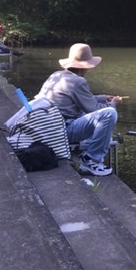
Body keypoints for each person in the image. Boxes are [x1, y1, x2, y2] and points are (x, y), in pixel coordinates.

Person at [36, 43, 122, 176]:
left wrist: (103, 98)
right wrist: (113, 104)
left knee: (86, 112)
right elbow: (93, 109)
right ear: (86, 66)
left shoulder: (57, 75)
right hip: (62, 131)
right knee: (109, 114)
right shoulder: (78, 82)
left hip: (47, 127)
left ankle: (88, 152)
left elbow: (80, 98)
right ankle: (91, 160)